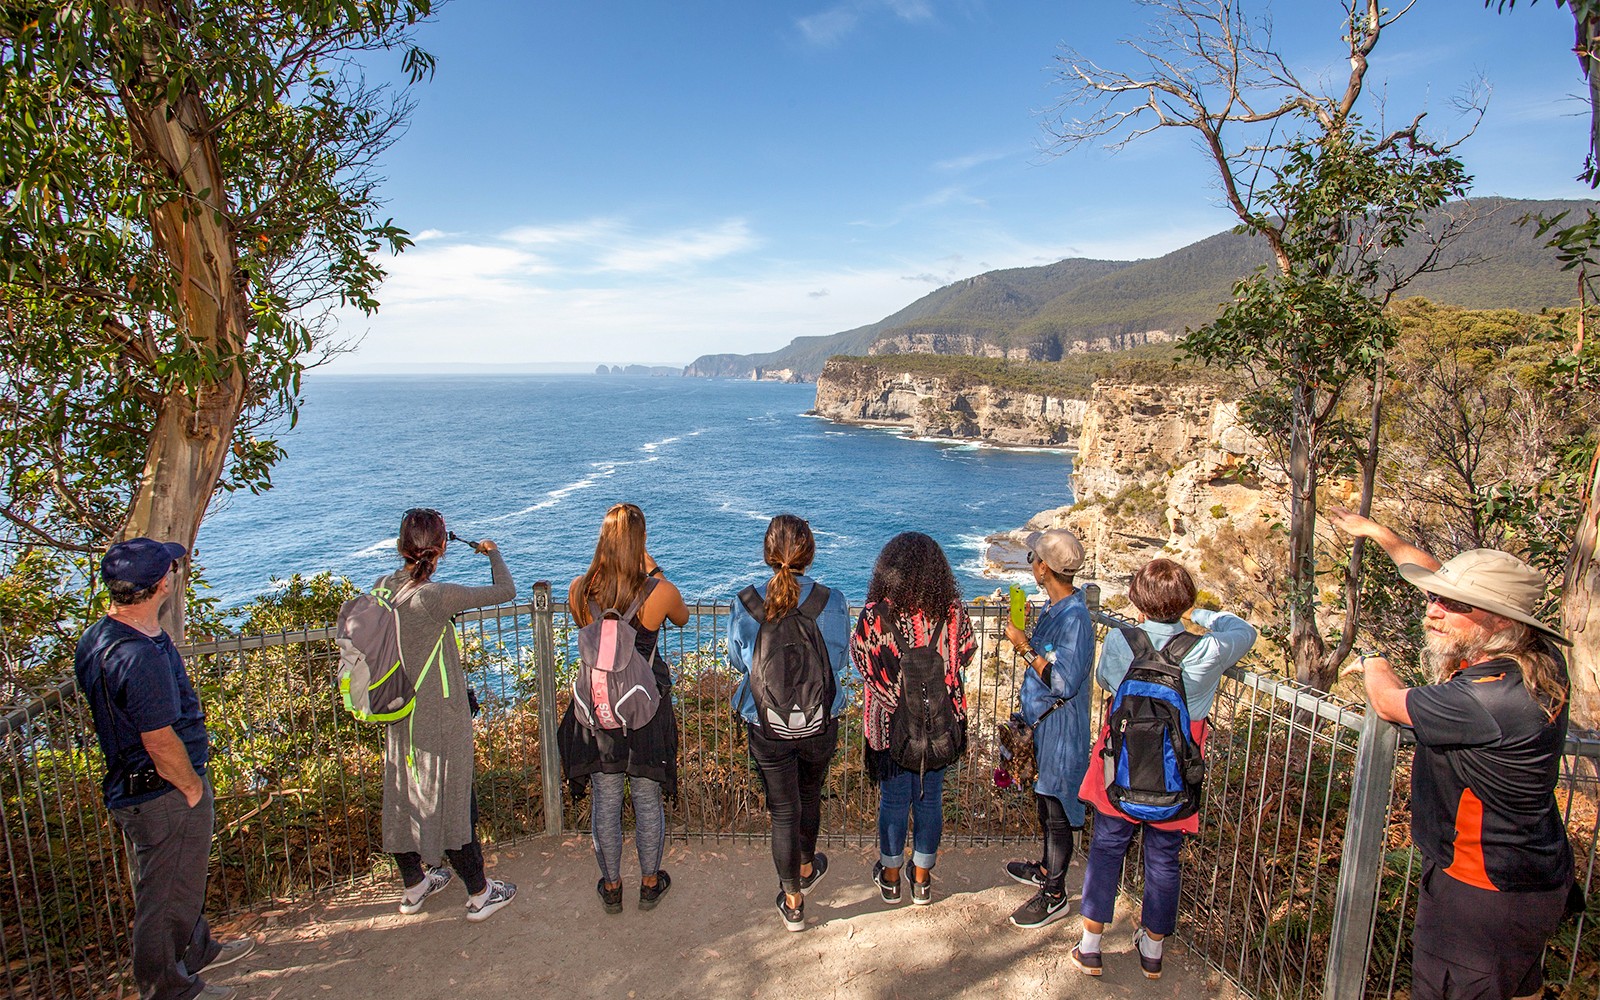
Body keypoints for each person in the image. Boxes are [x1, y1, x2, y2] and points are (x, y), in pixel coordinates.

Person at [1330, 507, 1575, 1000]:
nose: (1432, 610)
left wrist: (1372, 661)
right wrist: (1380, 534)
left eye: (1450, 604)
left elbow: (1389, 703)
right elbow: (1431, 574)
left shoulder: (1489, 697)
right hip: (1532, 875)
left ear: (1499, 618)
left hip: (1478, 893)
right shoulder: (1536, 656)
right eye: (1436, 597)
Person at [75, 538, 256, 1000]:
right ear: (161, 585)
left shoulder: (101, 637)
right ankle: (168, 988)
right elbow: (158, 738)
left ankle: (194, 950)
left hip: (140, 785)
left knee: (180, 880)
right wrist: (192, 787)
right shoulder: (138, 657)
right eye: (170, 570)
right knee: (164, 895)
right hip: (162, 791)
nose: (175, 573)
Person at [1073, 558, 1257, 979]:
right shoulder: (1206, 650)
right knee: (1163, 859)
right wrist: (1202, 616)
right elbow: (1245, 632)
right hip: (1176, 772)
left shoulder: (1123, 641)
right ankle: (1152, 952)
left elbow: (1105, 680)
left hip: (1120, 765)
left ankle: (1091, 946)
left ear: (1137, 602)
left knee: (1106, 849)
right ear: (1184, 602)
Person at [376, 508, 517, 921]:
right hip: (439, 713)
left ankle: (415, 885)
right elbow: (505, 590)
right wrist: (492, 553)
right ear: (440, 549)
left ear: (403, 546)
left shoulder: (384, 587)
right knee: (455, 799)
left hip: (398, 709)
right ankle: (479, 893)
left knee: (404, 794)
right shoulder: (433, 597)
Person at [558, 502, 690, 914]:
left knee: (606, 800)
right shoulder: (658, 592)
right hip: (644, 709)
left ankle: (612, 886)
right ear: (641, 541)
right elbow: (682, 617)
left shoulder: (579, 591)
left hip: (598, 712)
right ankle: (650, 883)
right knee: (647, 800)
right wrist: (653, 569)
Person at [727, 514, 853, 931]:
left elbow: (736, 660)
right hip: (820, 721)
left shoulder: (745, 603)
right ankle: (806, 865)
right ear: (809, 553)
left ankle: (794, 901)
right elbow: (838, 661)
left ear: (767, 554)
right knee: (810, 794)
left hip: (766, 722)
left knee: (783, 809)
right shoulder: (831, 601)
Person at [851, 531, 974, 907]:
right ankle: (921, 880)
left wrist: (895, 697)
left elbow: (862, 662)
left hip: (891, 728)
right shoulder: (953, 613)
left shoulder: (875, 616)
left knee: (893, 800)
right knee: (929, 798)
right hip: (939, 724)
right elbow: (965, 654)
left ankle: (890, 879)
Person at [1001, 529, 1095, 929]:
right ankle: (1046, 868)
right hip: (1045, 726)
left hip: (1061, 730)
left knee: (1057, 808)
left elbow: (1063, 682)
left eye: (1033, 559)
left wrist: (1024, 647)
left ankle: (1055, 893)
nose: (1031, 565)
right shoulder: (1058, 608)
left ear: (1044, 568)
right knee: (1045, 799)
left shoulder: (1074, 618)